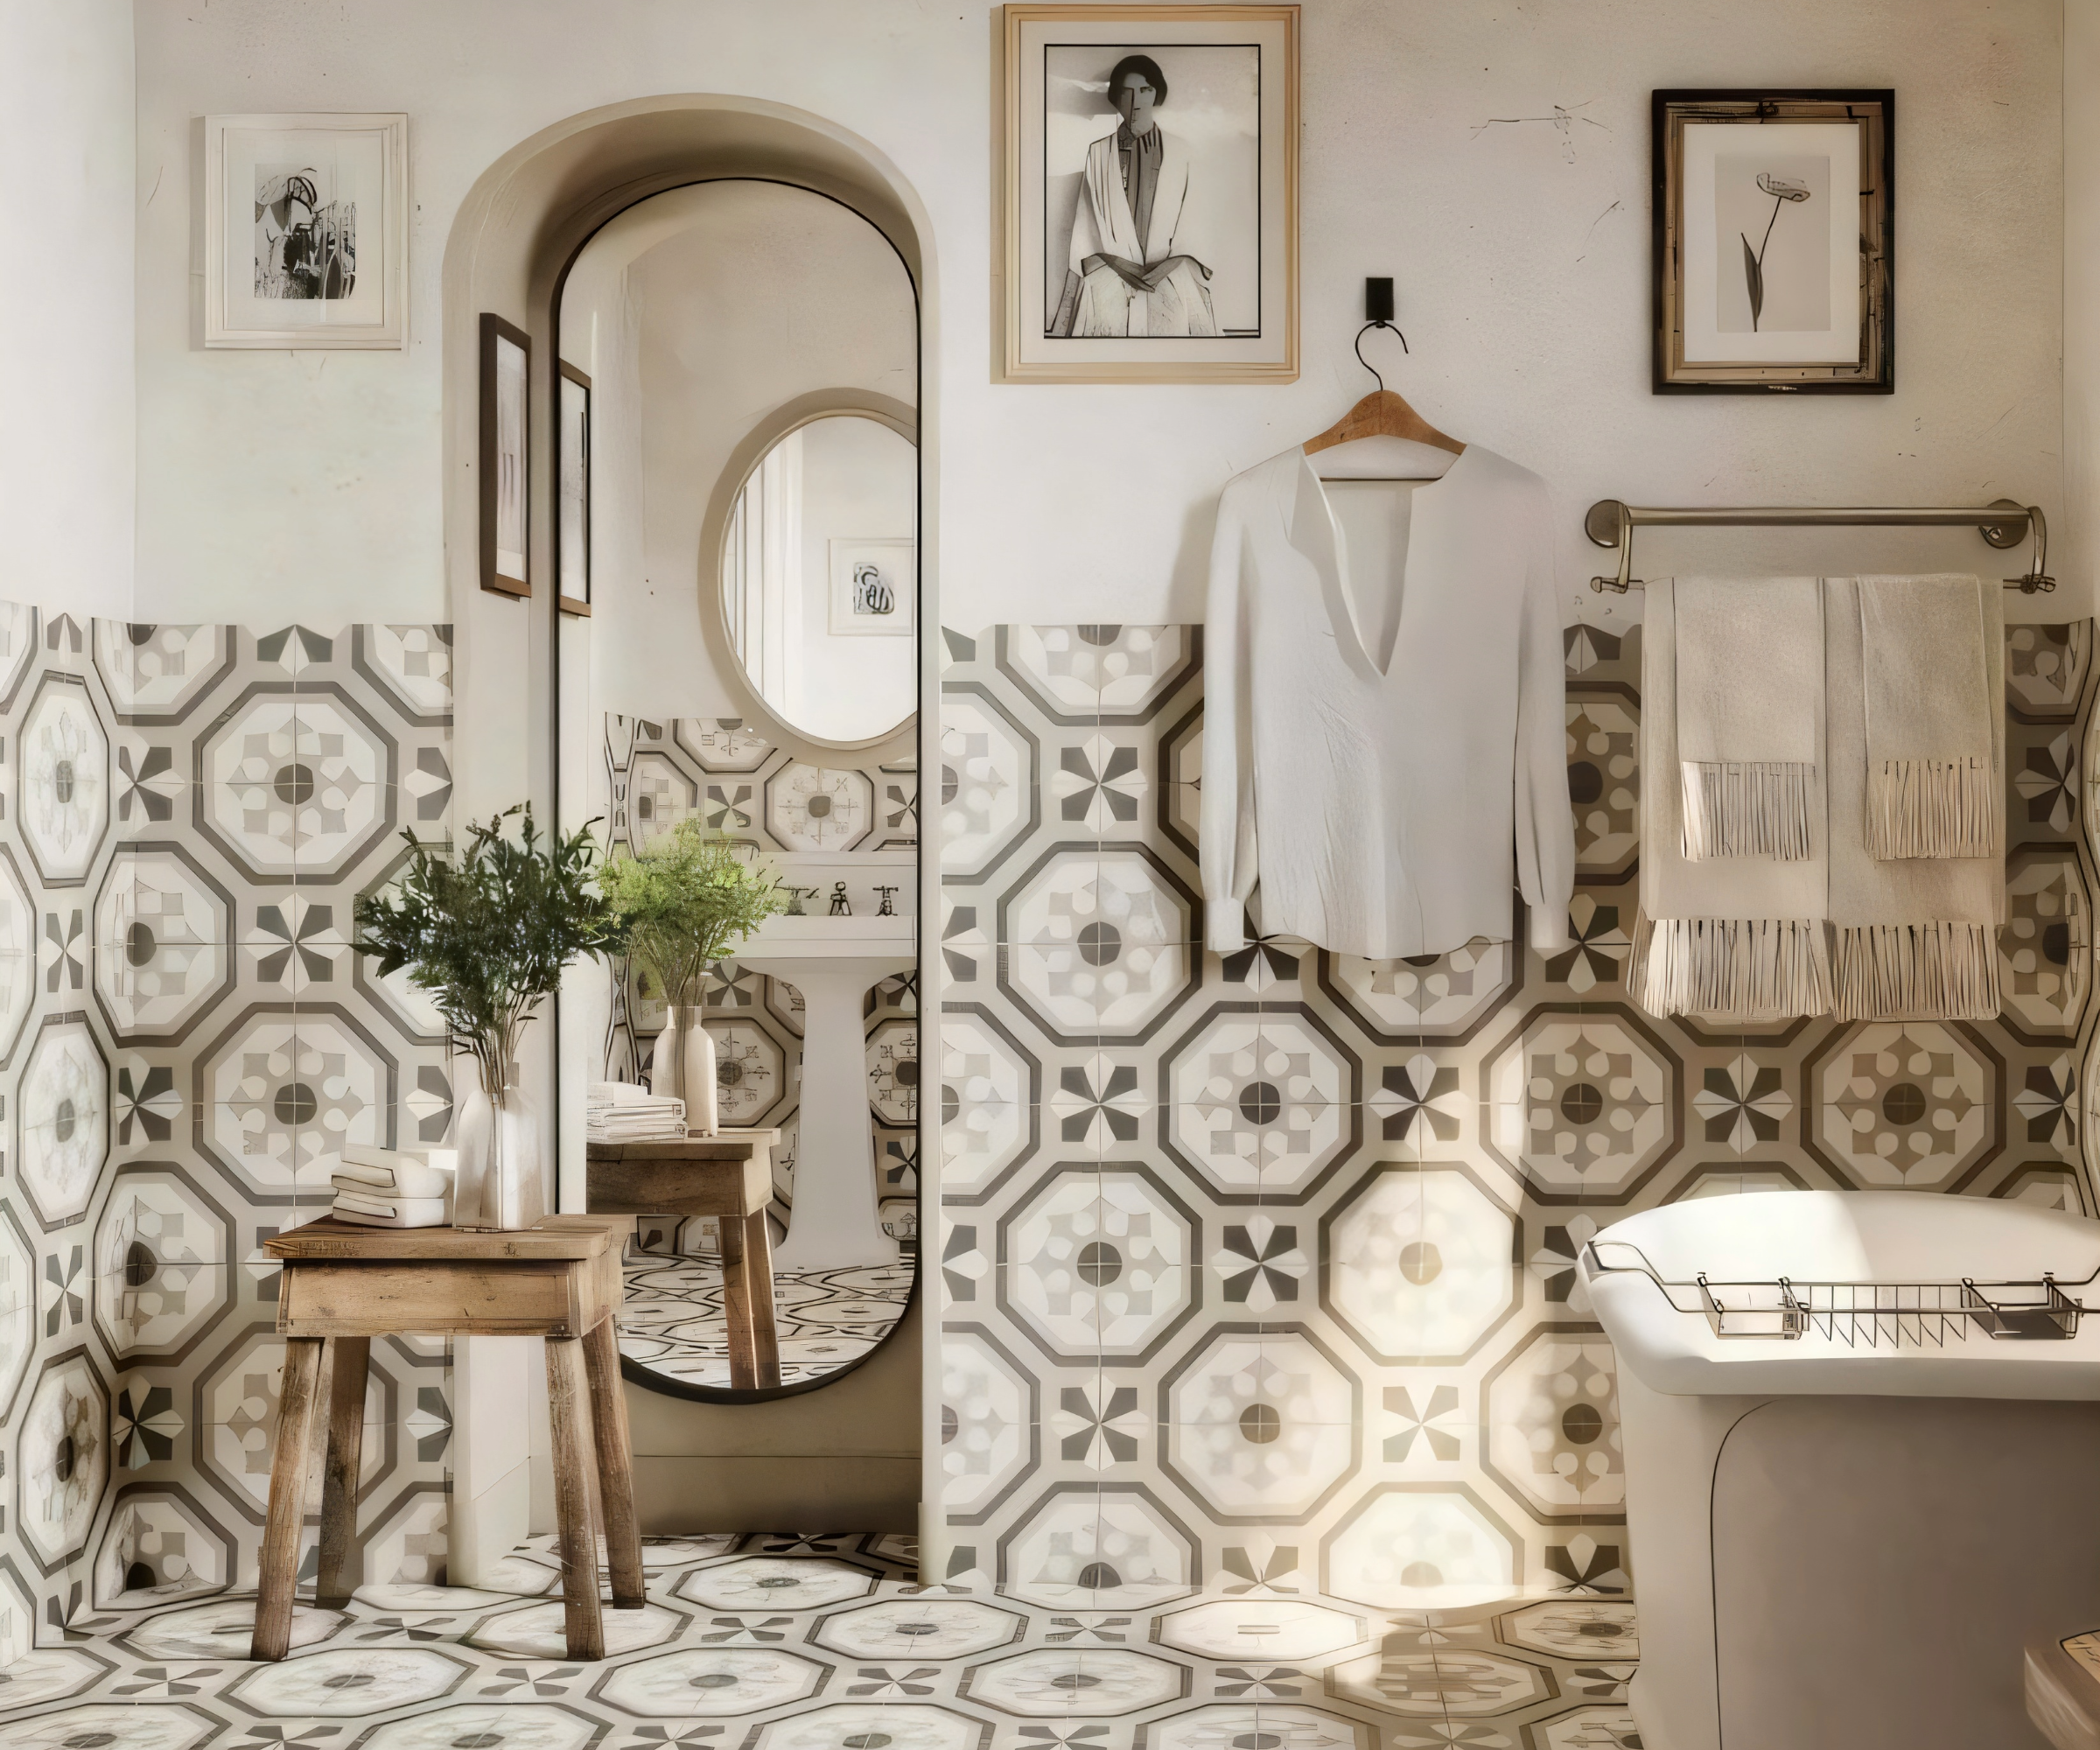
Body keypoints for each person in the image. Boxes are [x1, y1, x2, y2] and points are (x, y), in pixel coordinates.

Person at [1049, 53, 1218, 338]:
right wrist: (1118, 264)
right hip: (1111, 269)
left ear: (1156, 93)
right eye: (1126, 92)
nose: (1135, 100)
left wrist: (1165, 266)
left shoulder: (1182, 151)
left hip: (1171, 271)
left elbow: (1195, 218)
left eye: (1145, 90)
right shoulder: (1098, 152)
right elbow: (1086, 222)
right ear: (1116, 98)